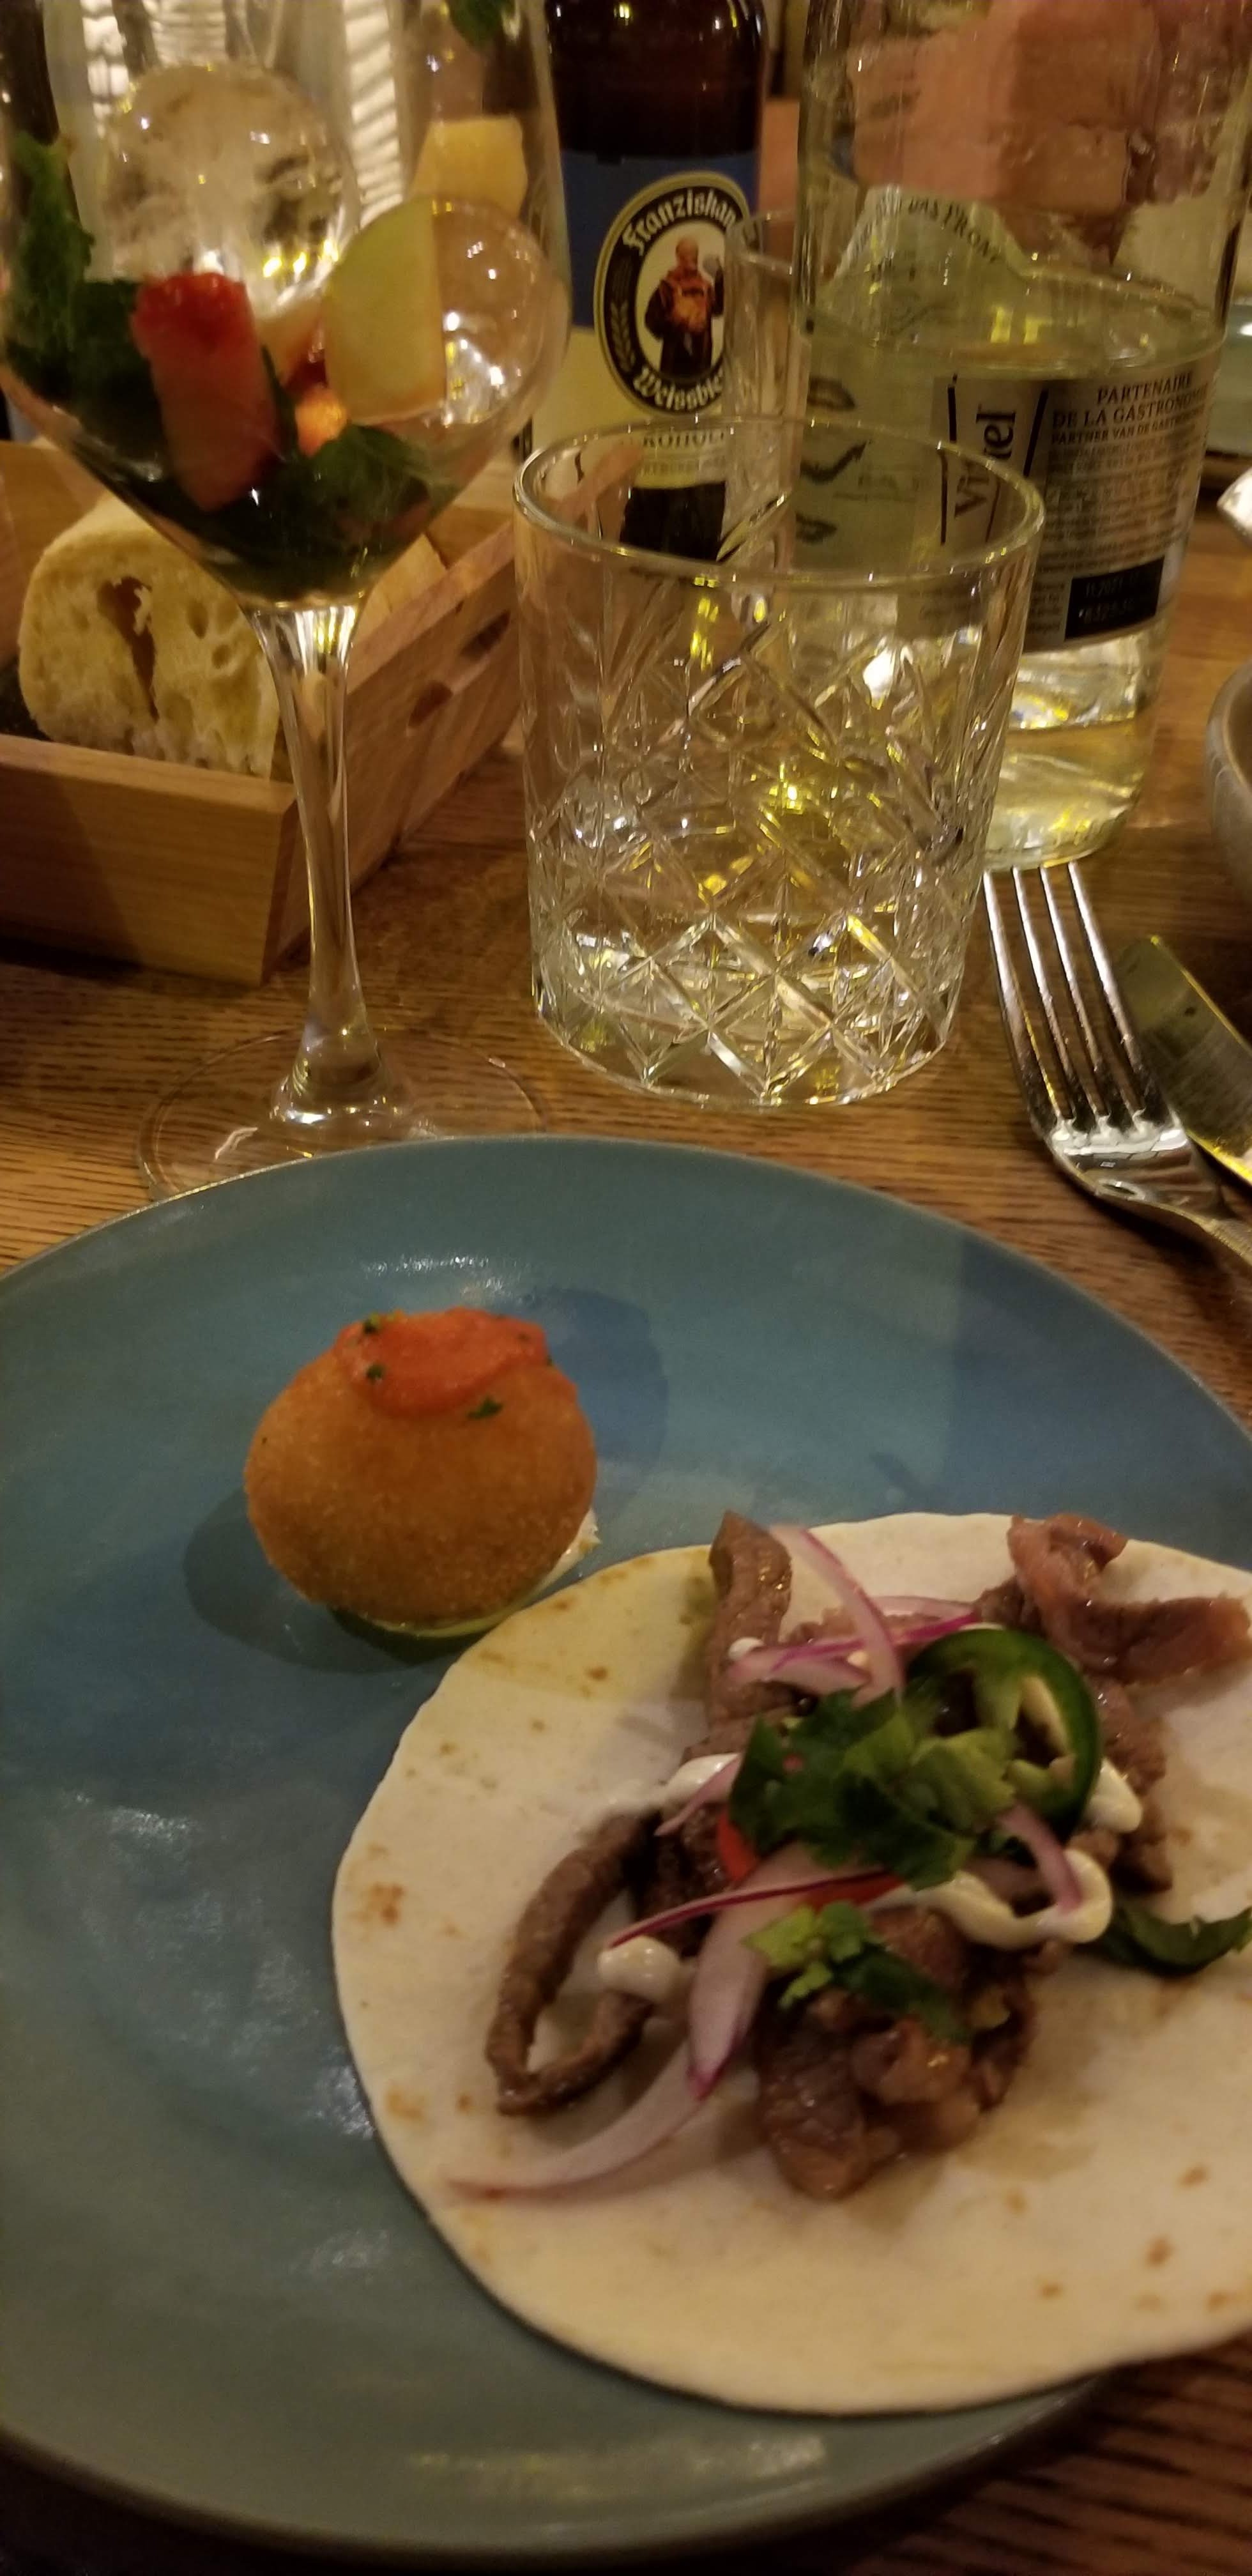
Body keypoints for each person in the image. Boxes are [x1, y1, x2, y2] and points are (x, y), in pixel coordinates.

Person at [643, 234, 724, 381]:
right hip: (675, 360)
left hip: (702, 359)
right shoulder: (666, 288)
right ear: (679, 257)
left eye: (694, 253)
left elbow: (718, 309)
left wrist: (720, 279)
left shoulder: (705, 286)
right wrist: (678, 321)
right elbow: (651, 322)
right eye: (687, 253)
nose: (691, 257)